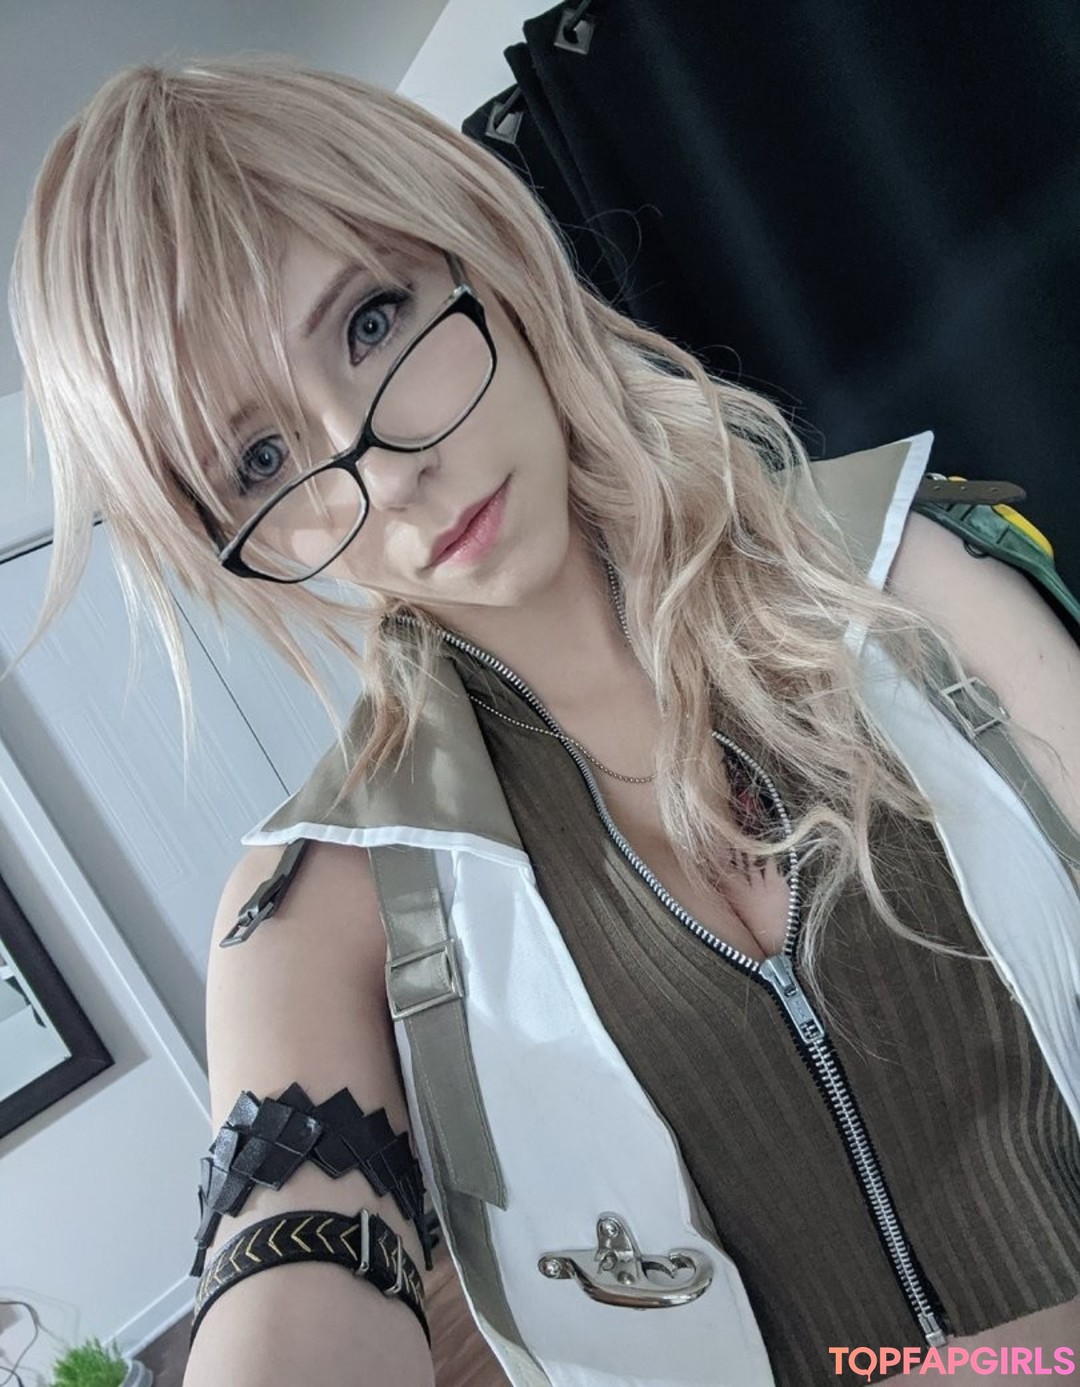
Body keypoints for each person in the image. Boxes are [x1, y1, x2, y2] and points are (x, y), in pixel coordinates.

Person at [9, 56, 1080, 1387]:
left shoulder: (912, 579)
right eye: (262, 460)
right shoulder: (320, 908)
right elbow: (291, 1261)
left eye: (372, 321)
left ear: (482, 246)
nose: (388, 474)